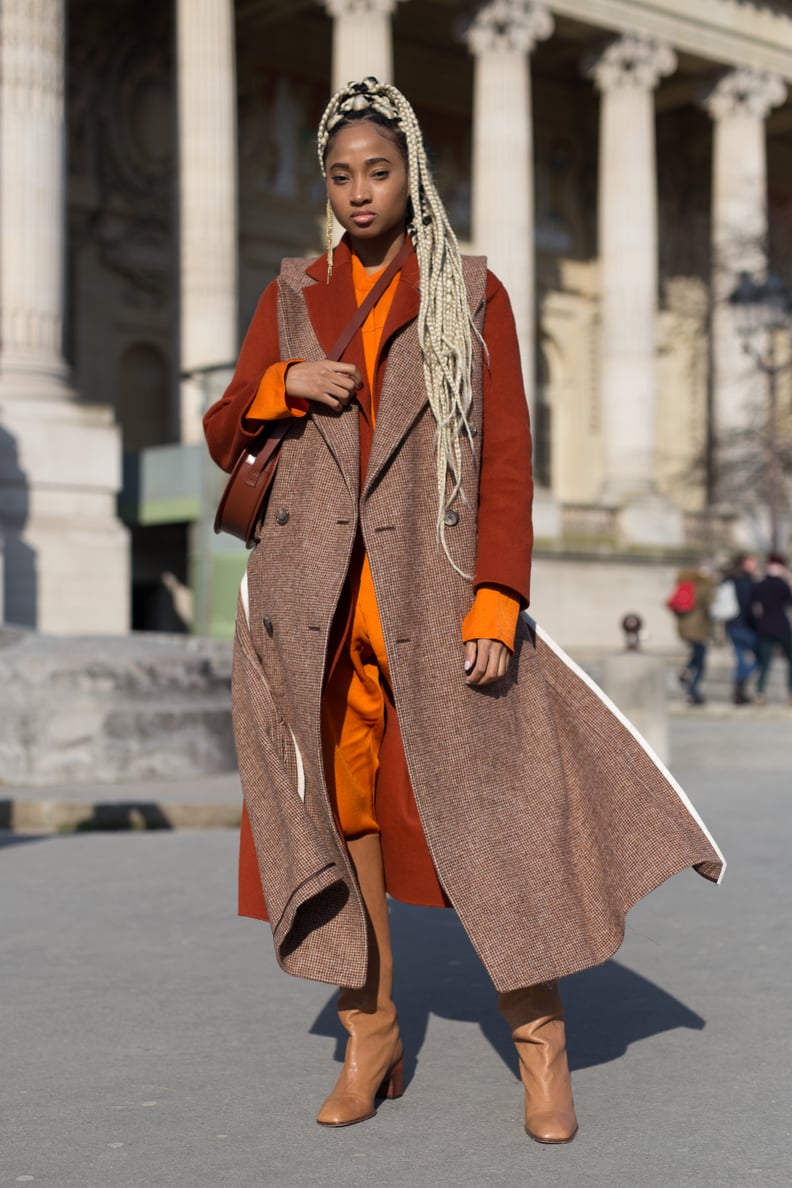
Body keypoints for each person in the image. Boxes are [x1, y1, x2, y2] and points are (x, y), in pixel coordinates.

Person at [204, 77, 723, 1144]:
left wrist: (497, 595)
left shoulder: (469, 291)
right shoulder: (291, 294)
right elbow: (223, 429)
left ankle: (541, 1047)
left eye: (377, 172)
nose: (358, 192)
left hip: (433, 597)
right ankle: (373, 1033)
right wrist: (280, 384)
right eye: (340, 176)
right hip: (310, 607)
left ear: (413, 175)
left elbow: (506, 460)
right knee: (337, 819)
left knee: (494, 813)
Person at [751, 553, 792, 706]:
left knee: (765, 664)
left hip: (765, 627)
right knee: (790, 661)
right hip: (782, 627)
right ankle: (790, 694)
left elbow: (751, 607)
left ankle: (760, 694)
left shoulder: (759, 585)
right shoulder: (783, 585)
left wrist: (757, 623)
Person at [670, 565, 715, 706]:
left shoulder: (685, 583)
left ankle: (686, 671)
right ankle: (692, 692)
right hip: (698, 628)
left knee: (696, 655)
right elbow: (708, 604)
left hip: (685, 627)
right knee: (701, 663)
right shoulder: (703, 585)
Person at [721, 553, 758, 705]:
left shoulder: (728, 579)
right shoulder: (745, 581)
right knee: (762, 655)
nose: (755, 565)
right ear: (744, 564)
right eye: (752, 562)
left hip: (731, 624)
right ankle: (740, 684)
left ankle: (739, 689)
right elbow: (747, 605)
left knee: (740, 658)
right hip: (744, 625)